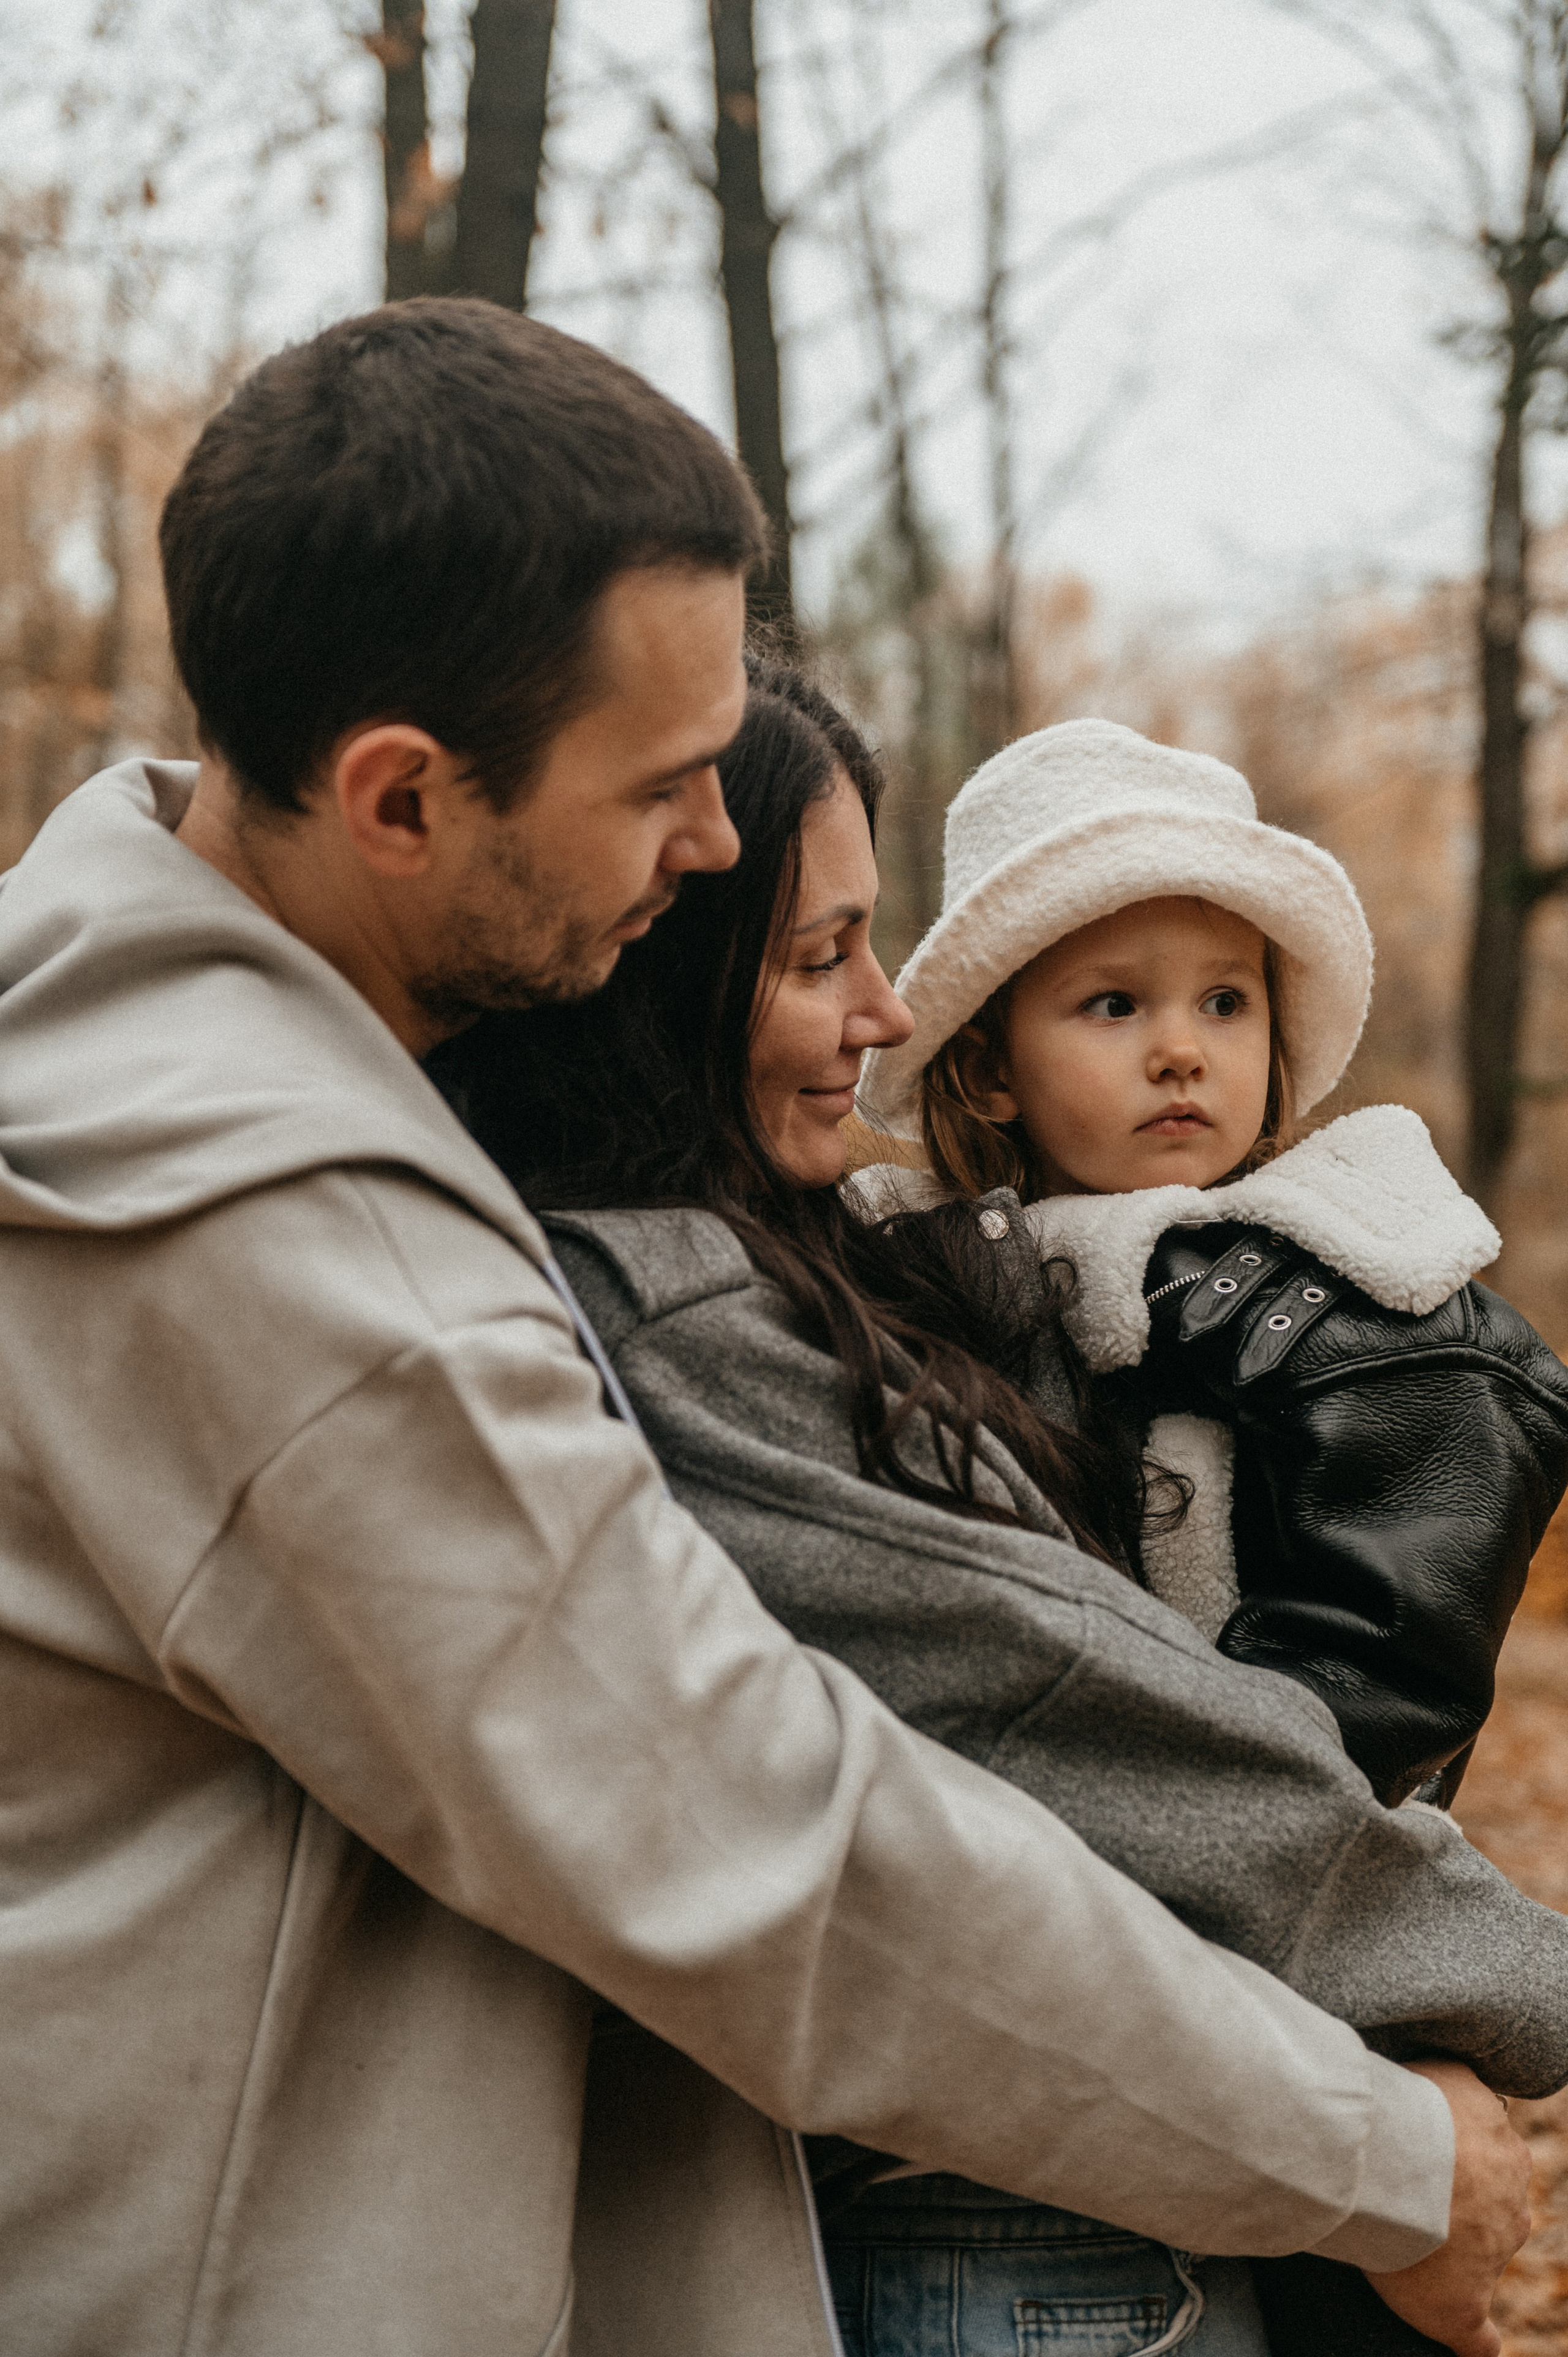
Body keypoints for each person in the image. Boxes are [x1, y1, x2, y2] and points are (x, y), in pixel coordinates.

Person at [0, 301, 1516, 2357]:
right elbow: (760, 1839)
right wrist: (1386, 2160)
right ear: (398, 800)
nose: (714, 843)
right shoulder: (293, 1249)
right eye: (661, 788)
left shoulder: (131, 1022)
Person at [435, 658, 1568, 2357]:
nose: (879, 1009)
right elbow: (1061, 1710)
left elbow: (1344, 1698)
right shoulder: (734, 1307)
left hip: (1160, 2106)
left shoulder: (1349, 1310)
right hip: (1025, 2174)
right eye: (820, 955)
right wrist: (1445, 2054)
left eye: (1226, 1003)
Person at [853, 717, 1568, 1817]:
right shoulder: (915, 1269)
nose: (1182, 1051)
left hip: (1236, 1842)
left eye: (1226, 1002)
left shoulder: (1357, 1281)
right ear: (991, 1068)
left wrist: (1181, 1814)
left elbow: (1385, 1665)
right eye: (1115, 1004)